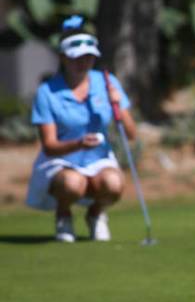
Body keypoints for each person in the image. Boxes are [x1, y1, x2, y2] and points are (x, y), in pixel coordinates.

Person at [25, 15, 138, 242]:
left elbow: (131, 134)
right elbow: (49, 147)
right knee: (72, 183)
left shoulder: (106, 82)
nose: (83, 63)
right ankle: (63, 215)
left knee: (114, 184)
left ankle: (96, 215)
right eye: (77, 58)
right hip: (61, 161)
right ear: (63, 58)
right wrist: (78, 143)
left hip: (98, 159)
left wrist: (118, 105)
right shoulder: (48, 92)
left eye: (88, 58)